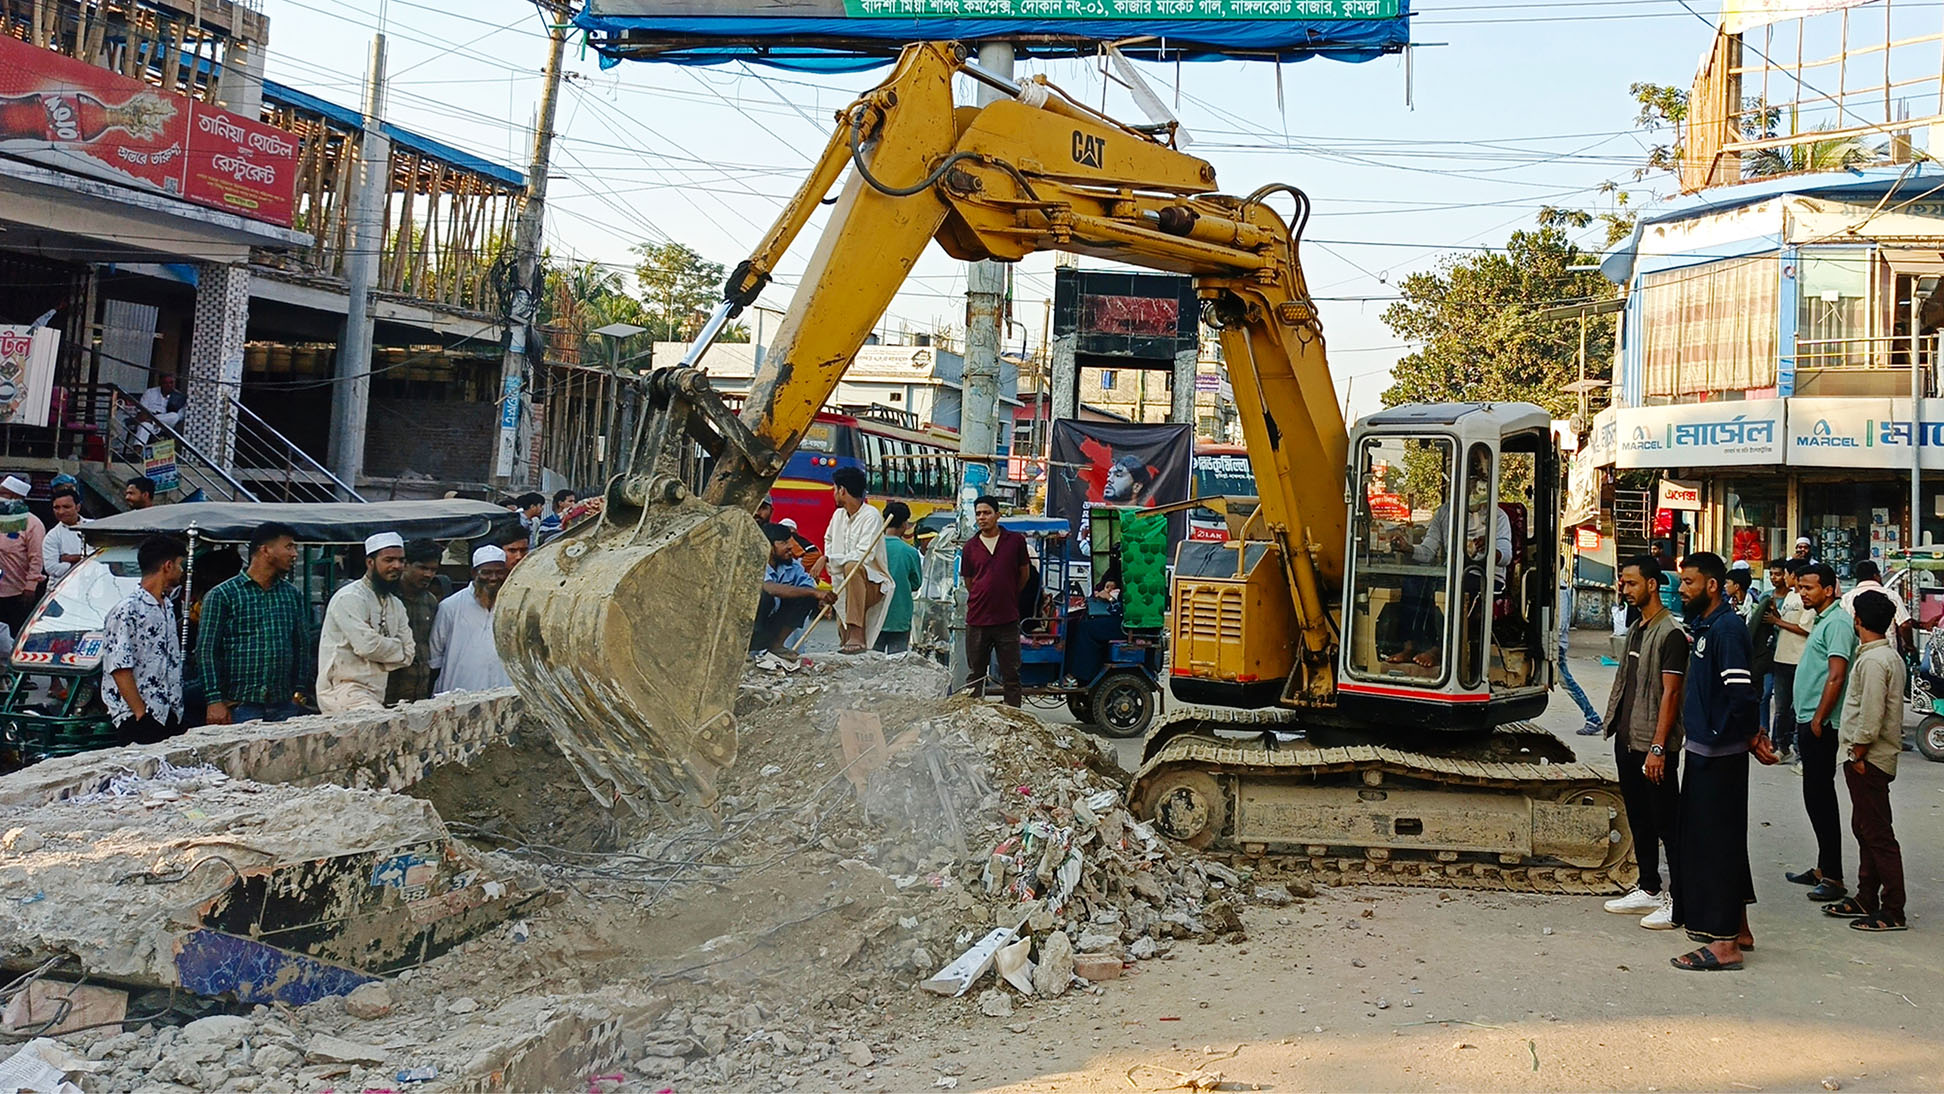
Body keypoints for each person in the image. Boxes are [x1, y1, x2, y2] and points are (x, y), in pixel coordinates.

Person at [1668, 552, 1763, 971]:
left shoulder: (1726, 629)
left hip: (1720, 753)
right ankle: (1737, 926)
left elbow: (1741, 692)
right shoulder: (1707, 626)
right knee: (1718, 841)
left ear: (1711, 585)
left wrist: (1751, 734)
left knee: (1715, 846)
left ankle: (1725, 945)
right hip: (1707, 748)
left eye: (1689, 582)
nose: (1682, 589)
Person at [1600, 555, 1687, 930]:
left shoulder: (1670, 633)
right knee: (1639, 817)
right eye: (1623, 582)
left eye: (1632, 582)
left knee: (1668, 823)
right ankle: (1649, 886)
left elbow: (1670, 695)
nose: (1625, 588)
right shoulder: (1638, 627)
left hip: (1653, 746)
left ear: (1652, 585)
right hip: (1628, 737)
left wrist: (1657, 747)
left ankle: (1679, 901)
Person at [1824, 589, 1908, 932]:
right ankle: (1866, 896)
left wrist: (1857, 751)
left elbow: (1871, 715)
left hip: (1869, 757)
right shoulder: (1883, 657)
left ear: (1858, 621)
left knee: (1876, 832)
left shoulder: (1874, 662)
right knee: (1865, 827)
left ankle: (1893, 908)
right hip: (1869, 756)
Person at [199, 522, 312, 725]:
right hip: (240, 704)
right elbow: (207, 651)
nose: (294, 554)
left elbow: (301, 646)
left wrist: (299, 691)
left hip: (284, 704)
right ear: (265, 550)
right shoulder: (223, 595)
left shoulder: (292, 595)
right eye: (289, 547)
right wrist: (214, 699)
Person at [1789, 561, 1855, 904]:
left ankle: (1833, 876)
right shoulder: (1823, 619)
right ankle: (1822, 867)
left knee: (1821, 798)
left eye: (1809, 588)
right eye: (1800, 588)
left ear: (1828, 589)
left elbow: (1837, 675)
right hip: (1808, 718)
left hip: (1822, 724)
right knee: (1814, 796)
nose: (1802, 594)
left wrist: (1818, 718)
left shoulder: (1839, 623)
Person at [100, 535, 187, 745]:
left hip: (169, 712)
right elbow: (120, 667)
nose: (182, 571)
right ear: (168, 566)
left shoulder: (167, 607)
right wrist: (140, 713)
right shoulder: (127, 610)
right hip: (140, 717)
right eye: (179, 565)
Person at [315, 532, 415, 714]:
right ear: (370, 562)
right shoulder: (350, 597)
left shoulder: (395, 604)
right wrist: (393, 650)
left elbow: (409, 654)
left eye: (401, 561)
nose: (397, 566)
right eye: (389, 560)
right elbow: (367, 647)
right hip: (342, 692)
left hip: (374, 693)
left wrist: (379, 649)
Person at [961, 495, 1030, 707]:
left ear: (997, 515)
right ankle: (973, 717)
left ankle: (1013, 715)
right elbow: (969, 582)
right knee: (976, 675)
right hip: (978, 619)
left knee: (1011, 674)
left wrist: (1006, 594)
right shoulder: (970, 547)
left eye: (987, 513)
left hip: (1007, 618)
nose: (982, 518)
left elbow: (1024, 575)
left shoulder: (1015, 542)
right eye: (979, 513)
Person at [824, 467, 893, 655]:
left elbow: (864, 555)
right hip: (842, 584)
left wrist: (828, 559)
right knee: (843, 641)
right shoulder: (838, 515)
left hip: (871, 583)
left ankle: (857, 633)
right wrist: (829, 560)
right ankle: (850, 637)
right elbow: (828, 539)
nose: (833, 493)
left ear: (842, 490)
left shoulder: (871, 516)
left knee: (852, 566)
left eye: (834, 489)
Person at [430, 545, 513, 694]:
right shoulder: (450, 607)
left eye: (499, 572)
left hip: (504, 689)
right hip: (459, 689)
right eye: (486, 573)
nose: (493, 578)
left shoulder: (513, 606)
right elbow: (435, 656)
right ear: (474, 573)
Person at [751, 522, 833, 656]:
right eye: (783, 542)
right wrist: (814, 592)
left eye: (790, 542)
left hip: (773, 626)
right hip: (750, 627)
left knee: (807, 597)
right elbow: (770, 588)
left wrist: (820, 600)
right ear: (769, 546)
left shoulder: (792, 565)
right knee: (765, 597)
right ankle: (748, 651)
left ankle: (776, 646)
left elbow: (808, 586)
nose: (790, 547)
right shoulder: (755, 564)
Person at [385, 540, 445, 705]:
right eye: (423, 568)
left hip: (419, 694)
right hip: (387, 691)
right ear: (406, 565)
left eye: (433, 570)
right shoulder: (387, 598)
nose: (428, 575)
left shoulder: (430, 602)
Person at [1765, 559, 1811, 764]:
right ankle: (1781, 747)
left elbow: (1804, 629)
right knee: (1781, 708)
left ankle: (1801, 751)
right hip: (1781, 658)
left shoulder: (1806, 598)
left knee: (1798, 709)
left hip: (1799, 660)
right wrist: (1776, 614)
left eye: (1785, 574)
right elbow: (1785, 625)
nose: (1783, 578)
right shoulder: (1791, 596)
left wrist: (1777, 621)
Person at [875, 501, 924, 655]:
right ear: (904, 524)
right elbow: (916, 584)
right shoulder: (910, 552)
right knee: (897, 665)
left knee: (872, 664)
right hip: (900, 618)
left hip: (874, 617)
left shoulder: (872, 547)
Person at [1559, 576, 1605, 736]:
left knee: (1567, 683)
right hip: (1555, 643)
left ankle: (1593, 717)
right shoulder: (1560, 587)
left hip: (1555, 645)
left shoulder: (1560, 588)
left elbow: (1561, 623)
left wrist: (1553, 642)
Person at [0, 475, 45, 636]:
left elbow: (37, 558)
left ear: (15, 498)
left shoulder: (32, 524)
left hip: (18, 593)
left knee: (15, 635)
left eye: (3, 494)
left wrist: (30, 587)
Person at [1840, 560, 1912, 654]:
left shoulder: (1846, 598)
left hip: (1856, 653)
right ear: (1876, 576)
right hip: (1886, 651)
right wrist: (1909, 645)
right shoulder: (1891, 595)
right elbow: (1904, 625)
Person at [42, 484, 87, 583]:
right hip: (63, 586)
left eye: (66, 507)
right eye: (56, 507)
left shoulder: (94, 527)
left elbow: (101, 558)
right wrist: (83, 560)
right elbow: (51, 568)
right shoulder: (52, 536)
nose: (61, 511)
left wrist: (71, 558)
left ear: (78, 507)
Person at [134, 373, 186, 446]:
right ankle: (138, 450)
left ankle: (152, 420)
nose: (169, 385)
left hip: (165, 424)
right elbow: (142, 410)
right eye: (165, 383)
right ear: (160, 383)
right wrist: (148, 417)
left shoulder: (179, 397)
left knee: (174, 416)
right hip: (149, 422)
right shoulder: (150, 392)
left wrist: (153, 419)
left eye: (171, 383)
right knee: (144, 426)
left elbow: (180, 417)